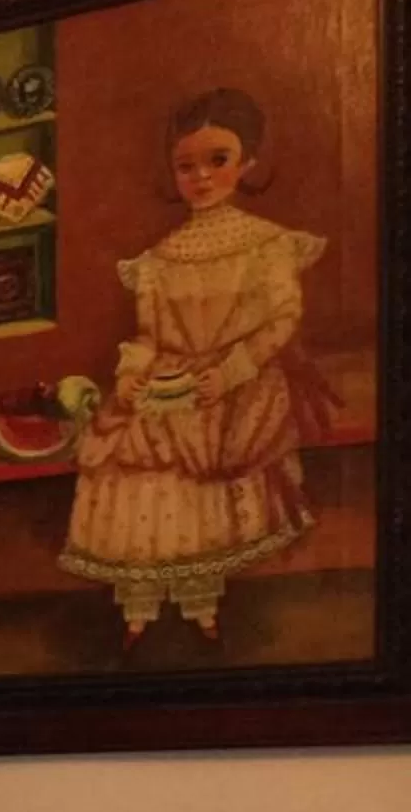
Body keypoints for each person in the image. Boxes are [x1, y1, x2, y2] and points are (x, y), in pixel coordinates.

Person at [59, 87, 334, 646]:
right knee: (133, 466)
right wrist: (132, 375)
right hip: (170, 383)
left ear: (247, 162)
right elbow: (150, 336)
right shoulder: (160, 260)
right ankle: (138, 608)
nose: (201, 177)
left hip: (236, 382)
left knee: (202, 487)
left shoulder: (267, 245)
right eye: (186, 166)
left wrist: (231, 371)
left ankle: (200, 605)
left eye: (217, 160)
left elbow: (282, 320)